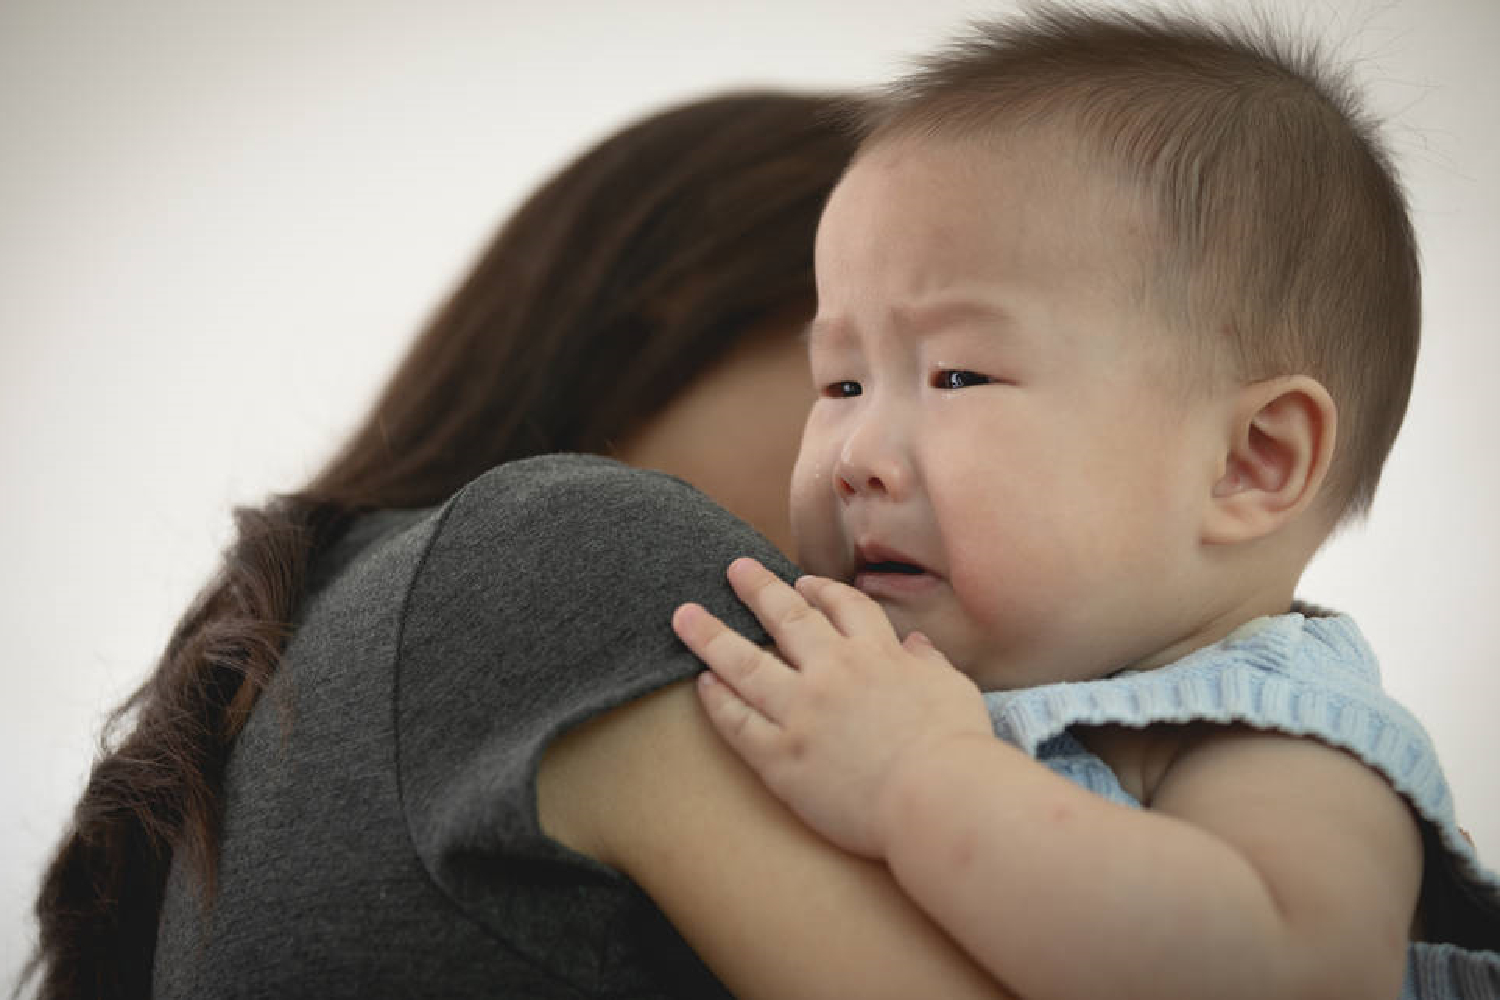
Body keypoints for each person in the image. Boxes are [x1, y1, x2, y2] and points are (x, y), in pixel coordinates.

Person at [24, 89, 971, 999]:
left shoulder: (328, 648)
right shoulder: (578, 553)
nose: (922, 456)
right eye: (860, 374)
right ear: (678, 305)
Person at [673, 8, 1500, 1000]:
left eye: (959, 376)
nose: (855, 456)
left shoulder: (1277, 730)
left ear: (1249, 462)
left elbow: (1293, 974)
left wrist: (914, 781)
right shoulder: (902, 687)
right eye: (841, 385)